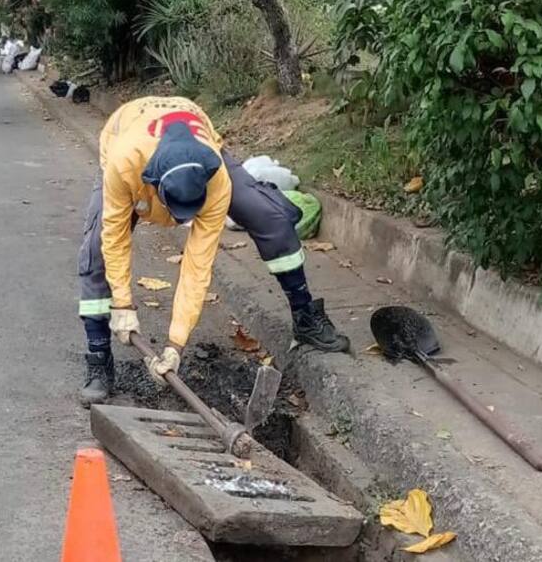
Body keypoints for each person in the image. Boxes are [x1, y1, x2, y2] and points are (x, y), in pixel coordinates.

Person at [77, 96, 349, 407]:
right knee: (97, 248)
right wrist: (123, 306)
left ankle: (306, 317)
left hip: (193, 143)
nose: (183, 221)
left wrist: (175, 344)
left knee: (269, 216)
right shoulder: (123, 163)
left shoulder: (215, 174)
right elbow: (115, 239)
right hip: (126, 134)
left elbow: (197, 265)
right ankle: (98, 357)